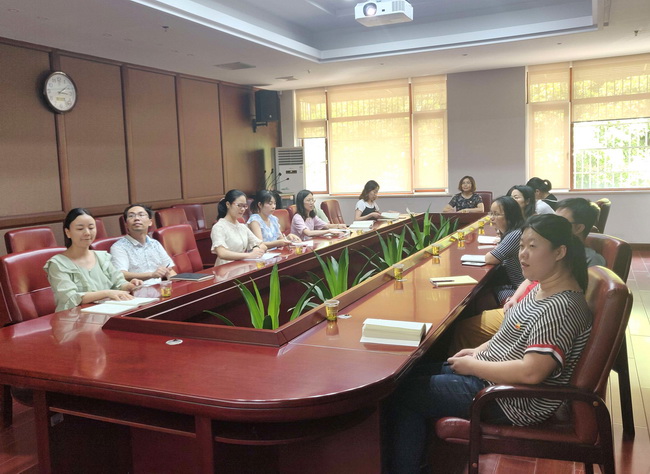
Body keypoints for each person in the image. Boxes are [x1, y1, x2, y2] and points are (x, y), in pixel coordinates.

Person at [385, 214, 592, 474]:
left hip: (510, 399)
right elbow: (509, 335)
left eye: (533, 246)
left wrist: (473, 366)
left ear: (560, 252)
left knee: (404, 396)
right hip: (494, 378)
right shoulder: (542, 288)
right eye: (521, 245)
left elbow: (532, 372)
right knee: (404, 378)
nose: (523, 254)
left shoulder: (560, 307)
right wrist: (478, 351)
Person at [450, 197, 604, 353]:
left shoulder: (566, 294)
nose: (550, 223)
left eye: (560, 221)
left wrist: (473, 364)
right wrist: (515, 299)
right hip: (527, 306)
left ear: (578, 228)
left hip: (535, 315)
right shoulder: (543, 267)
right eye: (521, 246)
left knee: (469, 322)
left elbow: (535, 364)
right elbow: (531, 280)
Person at [44, 208, 143, 312]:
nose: (87, 233)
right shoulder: (58, 264)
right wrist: (107, 293)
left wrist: (129, 285)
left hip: (107, 312)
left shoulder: (102, 257)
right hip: (74, 317)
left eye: (91, 228)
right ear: (68, 232)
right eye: (80, 229)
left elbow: (118, 283)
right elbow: (70, 298)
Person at [110, 204, 176, 281]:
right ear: (126, 224)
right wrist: (151, 275)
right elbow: (121, 274)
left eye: (141, 215)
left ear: (150, 222)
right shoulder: (119, 247)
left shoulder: (155, 244)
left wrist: (174, 282)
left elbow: (169, 269)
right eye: (131, 216)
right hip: (137, 287)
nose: (136, 218)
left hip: (160, 286)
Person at [484, 196, 526, 304]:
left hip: (521, 289)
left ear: (510, 216)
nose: (492, 218)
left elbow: (490, 258)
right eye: (491, 213)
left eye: (496, 214)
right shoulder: (514, 231)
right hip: (516, 285)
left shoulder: (515, 234)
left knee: (482, 296)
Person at [211, 190, 268, 266]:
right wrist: (249, 255)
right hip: (225, 268)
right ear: (228, 204)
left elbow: (262, 245)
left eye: (244, 206)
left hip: (241, 266)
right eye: (239, 205)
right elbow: (222, 253)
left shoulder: (242, 226)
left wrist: (256, 248)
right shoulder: (219, 227)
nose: (243, 209)